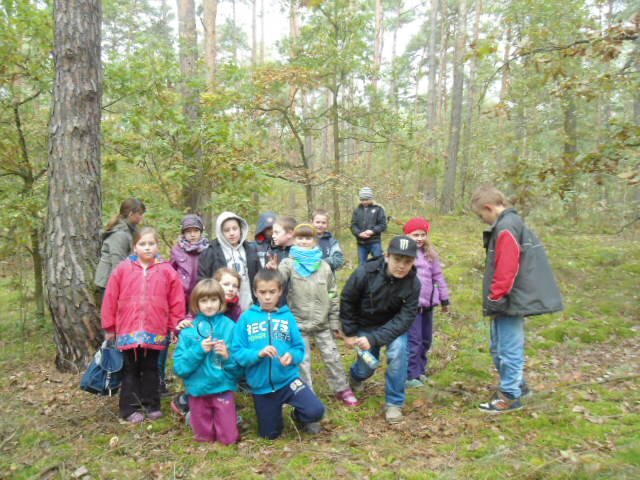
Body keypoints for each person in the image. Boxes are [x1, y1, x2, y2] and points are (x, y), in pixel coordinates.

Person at [471, 186, 564, 413]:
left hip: (509, 300)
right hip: (508, 299)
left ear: (489, 208)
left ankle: (510, 396)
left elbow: (507, 267)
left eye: (481, 215)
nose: (483, 220)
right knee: (498, 347)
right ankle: (519, 386)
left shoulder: (506, 227)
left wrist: (496, 296)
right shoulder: (510, 224)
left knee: (507, 349)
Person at [101, 227, 185, 423]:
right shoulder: (123, 269)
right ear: (135, 247)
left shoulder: (167, 271)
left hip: (155, 329)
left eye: (151, 244)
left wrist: (175, 327)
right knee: (130, 369)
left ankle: (151, 404)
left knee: (151, 368)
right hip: (128, 329)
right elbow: (110, 298)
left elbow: (176, 301)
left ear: (157, 246)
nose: (147, 248)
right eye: (142, 244)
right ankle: (129, 408)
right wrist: (110, 327)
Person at [231, 269, 325, 439]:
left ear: (280, 291)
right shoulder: (246, 319)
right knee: (270, 434)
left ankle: (299, 416)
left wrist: (292, 356)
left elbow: (299, 348)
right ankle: (273, 415)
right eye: (262, 292)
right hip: (262, 387)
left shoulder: (287, 317)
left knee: (316, 411)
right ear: (255, 292)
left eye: (272, 292)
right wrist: (258, 354)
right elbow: (237, 352)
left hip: (288, 380)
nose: (267, 297)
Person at [340, 235, 421, 424]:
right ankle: (355, 377)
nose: (401, 266)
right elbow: (348, 300)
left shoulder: (414, 284)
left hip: (393, 327)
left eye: (407, 261)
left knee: (399, 352)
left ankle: (394, 403)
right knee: (366, 368)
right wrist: (350, 332)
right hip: (365, 324)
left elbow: (406, 318)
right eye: (397, 259)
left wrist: (375, 339)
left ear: (413, 262)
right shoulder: (365, 272)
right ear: (387, 256)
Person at [278, 224, 359, 407]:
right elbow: (277, 281)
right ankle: (307, 395)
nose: (303, 241)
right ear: (294, 240)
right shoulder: (288, 264)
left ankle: (342, 388)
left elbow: (332, 294)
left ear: (314, 241)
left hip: (322, 323)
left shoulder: (324, 266)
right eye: (300, 238)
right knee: (303, 361)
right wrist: (273, 272)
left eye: (307, 238)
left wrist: (334, 322)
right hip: (298, 323)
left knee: (333, 356)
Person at [173, 279, 240, 444]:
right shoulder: (189, 331)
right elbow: (180, 368)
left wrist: (227, 357)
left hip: (222, 388)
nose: (209, 305)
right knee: (204, 439)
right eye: (204, 300)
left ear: (221, 301)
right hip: (198, 391)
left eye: (213, 300)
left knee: (229, 440)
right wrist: (199, 350)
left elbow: (239, 368)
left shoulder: (230, 327)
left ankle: (227, 419)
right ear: (196, 303)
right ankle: (193, 416)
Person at [162, 214, 209, 395]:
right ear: (183, 233)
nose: (192, 234)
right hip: (181, 300)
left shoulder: (208, 249)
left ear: (201, 232)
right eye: (188, 231)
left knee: (203, 335)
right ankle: (186, 380)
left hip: (203, 299)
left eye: (195, 230)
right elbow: (170, 273)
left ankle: (205, 377)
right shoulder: (177, 251)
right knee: (185, 336)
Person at [402, 217, 451, 388]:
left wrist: (444, 299)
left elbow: (438, 277)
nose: (420, 238)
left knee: (426, 340)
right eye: (415, 235)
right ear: (407, 235)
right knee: (414, 340)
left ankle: (420, 371)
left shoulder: (430, 254)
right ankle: (410, 375)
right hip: (411, 306)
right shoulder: (404, 254)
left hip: (428, 305)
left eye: (423, 234)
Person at [198, 212, 260, 311]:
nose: (232, 233)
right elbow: (203, 281)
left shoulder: (250, 249)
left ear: (241, 229)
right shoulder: (211, 252)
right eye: (227, 230)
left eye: (235, 229)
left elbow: (259, 277)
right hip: (222, 309)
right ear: (220, 232)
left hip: (249, 307)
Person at [94, 198, 146, 298]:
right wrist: (120, 287)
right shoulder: (120, 235)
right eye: (140, 214)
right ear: (131, 214)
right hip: (109, 284)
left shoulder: (131, 232)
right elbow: (117, 263)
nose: (142, 217)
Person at [350, 187, 387, 264]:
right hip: (361, 243)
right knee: (362, 266)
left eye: (366, 199)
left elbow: (383, 225)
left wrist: (372, 231)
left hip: (374, 242)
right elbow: (353, 225)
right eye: (362, 200)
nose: (364, 202)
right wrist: (359, 233)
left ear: (371, 198)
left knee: (379, 263)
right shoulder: (357, 210)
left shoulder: (378, 209)